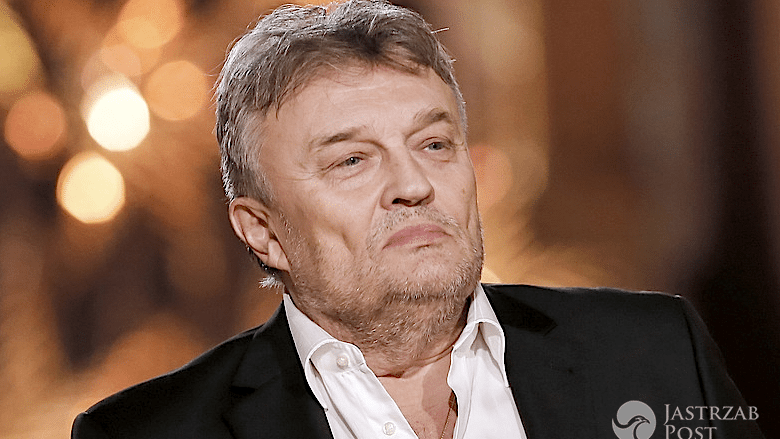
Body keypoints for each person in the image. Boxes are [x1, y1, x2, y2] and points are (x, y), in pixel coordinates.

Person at [72, 1, 765, 438]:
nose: (413, 185)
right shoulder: (149, 432)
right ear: (261, 230)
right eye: (351, 160)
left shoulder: (656, 353)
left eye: (433, 145)